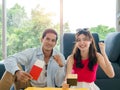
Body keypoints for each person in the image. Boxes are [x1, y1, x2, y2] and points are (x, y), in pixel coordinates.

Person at [0, 28, 66, 90]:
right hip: (29, 84)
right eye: (47, 39)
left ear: (55, 43)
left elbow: (59, 83)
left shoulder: (60, 57)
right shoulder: (32, 52)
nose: (49, 42)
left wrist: (60, 66)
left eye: (53, 40)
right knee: (12, 69)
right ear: (42, 40)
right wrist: (17, 71)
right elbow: (9, 59)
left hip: (48, 88)